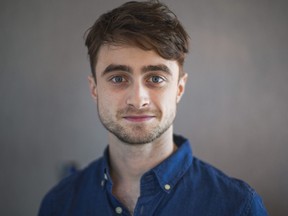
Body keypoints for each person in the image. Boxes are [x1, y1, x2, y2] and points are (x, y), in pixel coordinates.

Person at [38, 0, 268, 215]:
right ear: (94, 88)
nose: (138, 100)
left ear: (179, 88)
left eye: (156, 79)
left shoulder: (237, 207)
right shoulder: (60, 204)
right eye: (118, 78)